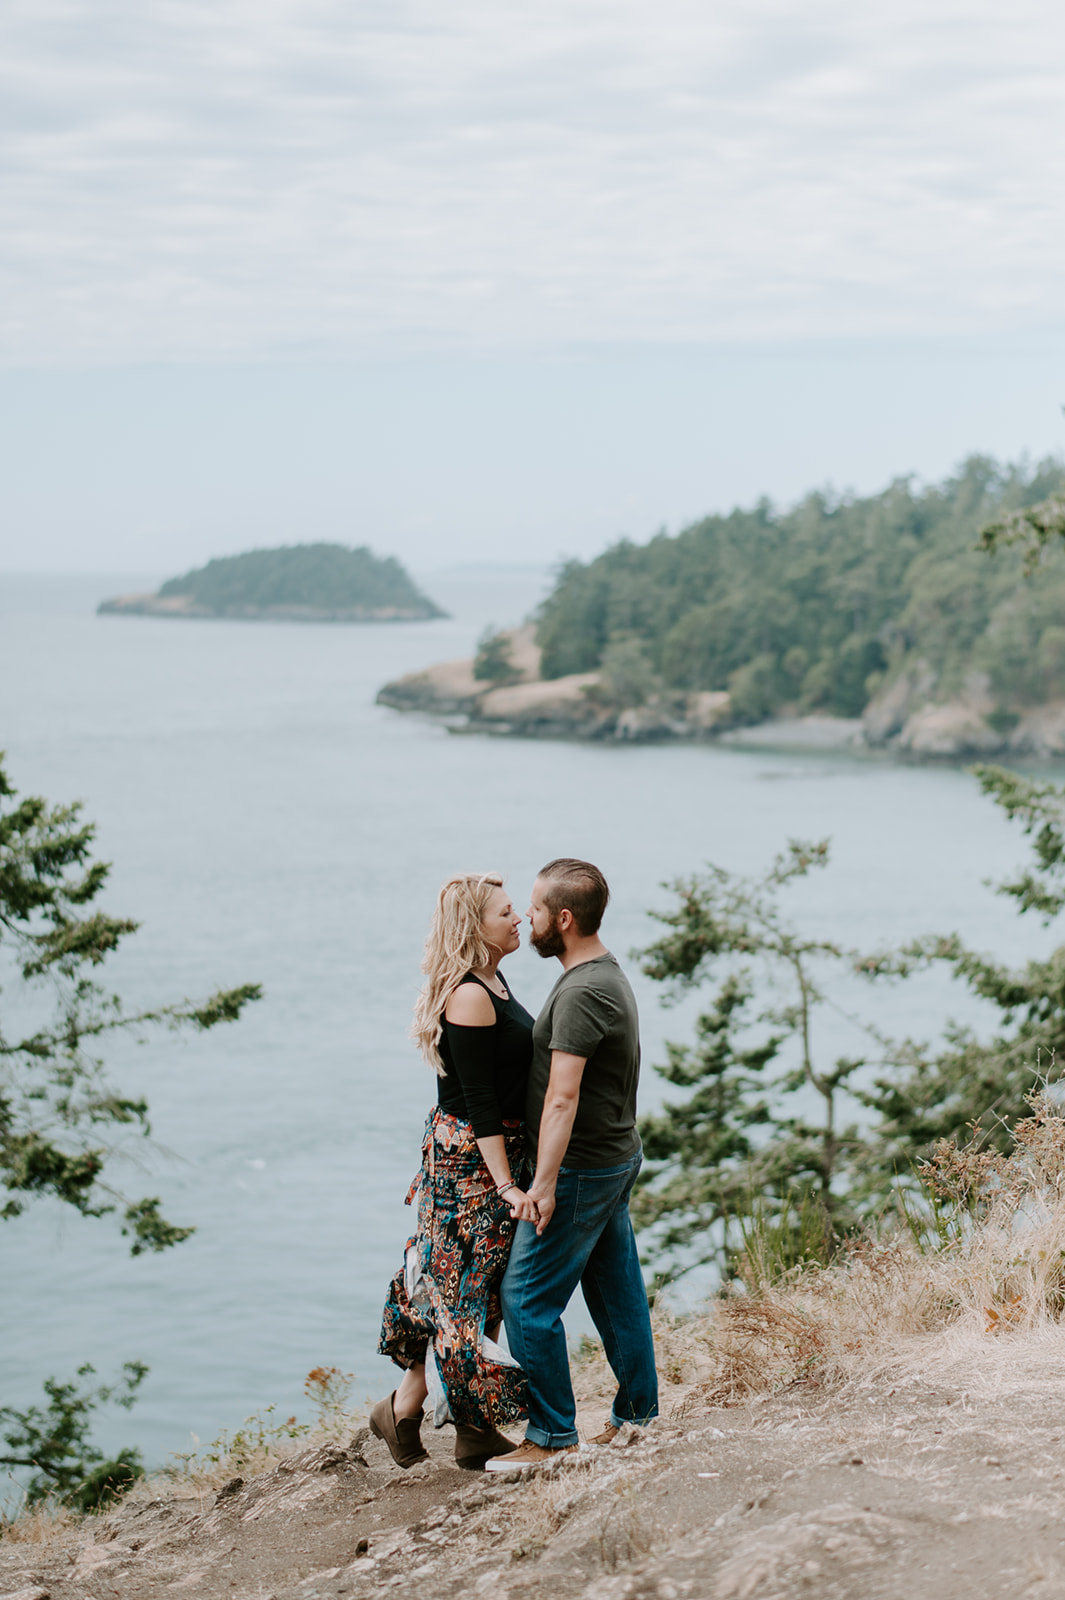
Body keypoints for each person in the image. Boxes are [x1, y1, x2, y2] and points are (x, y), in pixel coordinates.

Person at [487, 858, 659, 1472]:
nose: (525, 918)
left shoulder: (585, 990)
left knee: (526, 1300)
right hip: (610, 1159)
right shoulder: (597, 973)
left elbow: (563, 1096)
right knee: (616, 1293)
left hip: (584, 1168)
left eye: (533, 909)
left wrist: (543, 1184)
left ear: (562, 919)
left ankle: (553, 1438)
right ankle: (639, 1416)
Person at [373, 873, 539, 1471]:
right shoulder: (469, 994)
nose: (518, 918)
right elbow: (480, 1102)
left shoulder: (494, 975)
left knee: (462, 1281)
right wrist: (506, 1184)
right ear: (476, 927)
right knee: (464, 1285)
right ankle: (468, 1424)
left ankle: (409, 1405)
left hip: (487, 1150)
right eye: (505, 912)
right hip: (472, 1157)